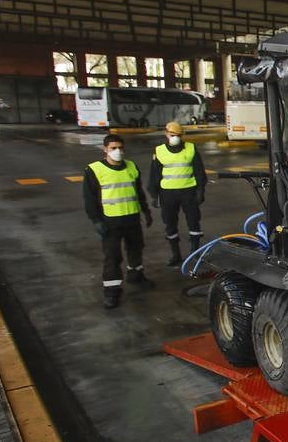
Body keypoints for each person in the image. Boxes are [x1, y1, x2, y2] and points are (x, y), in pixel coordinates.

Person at [83, 134, 153, 309]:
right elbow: (89, 198)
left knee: (136, 249)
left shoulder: (131, 166)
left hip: (132, 218)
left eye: (121, 148)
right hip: (110, 222)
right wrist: (96, 220)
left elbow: (138, 192)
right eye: (113, 148)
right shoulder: (94, 170)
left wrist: (146, 212)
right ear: (105, 149)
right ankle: (111, 291)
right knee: (113, 257)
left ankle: (136, 276)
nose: (118, 151)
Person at [148, 121, 207, 267]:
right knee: (170, 224)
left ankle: (195, 252)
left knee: (194, 222)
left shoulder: (191, 149)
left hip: (189, 192)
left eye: (178, 135)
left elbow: (199, 172)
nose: (175, 137)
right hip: (167, 194)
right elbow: (154, 174)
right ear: (166, 134)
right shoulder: (159, 151)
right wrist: (154, 195)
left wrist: (200, 191)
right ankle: (175, 254)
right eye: (172, 135)